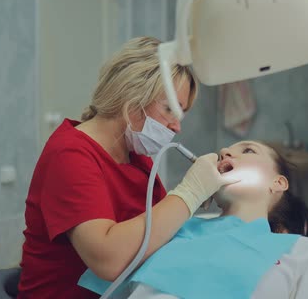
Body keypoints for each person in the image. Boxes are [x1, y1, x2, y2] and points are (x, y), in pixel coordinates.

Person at [17, 37, 238, 298]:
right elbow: (108, 259)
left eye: (181, 115)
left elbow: (155, 236)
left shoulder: (134, 154)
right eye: (170, 109)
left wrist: (193, 202)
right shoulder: (70, 154)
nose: (177, 127)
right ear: (131, 94)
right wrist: (189, 193)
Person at [80, 141, 308, 299]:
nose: (225, 151)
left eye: (248, 150)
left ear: (278, 183)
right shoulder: (173, 230)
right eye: (223, 153)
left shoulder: (304, 252)